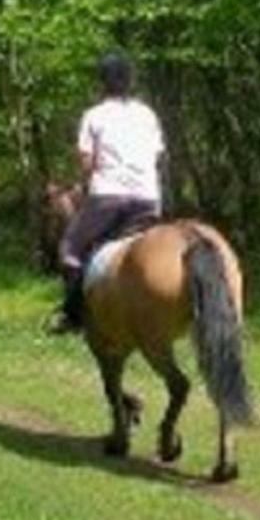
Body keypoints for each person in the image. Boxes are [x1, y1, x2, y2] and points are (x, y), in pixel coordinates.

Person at [48, 51, 165, 334]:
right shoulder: (147, 114)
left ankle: (72, 314)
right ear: (130, 81)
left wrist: (79, 186)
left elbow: (88, 163)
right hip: (149, 199)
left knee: (70, 248)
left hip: (108, 198)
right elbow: (158, 155)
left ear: (103, 82)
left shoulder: (94, 116)